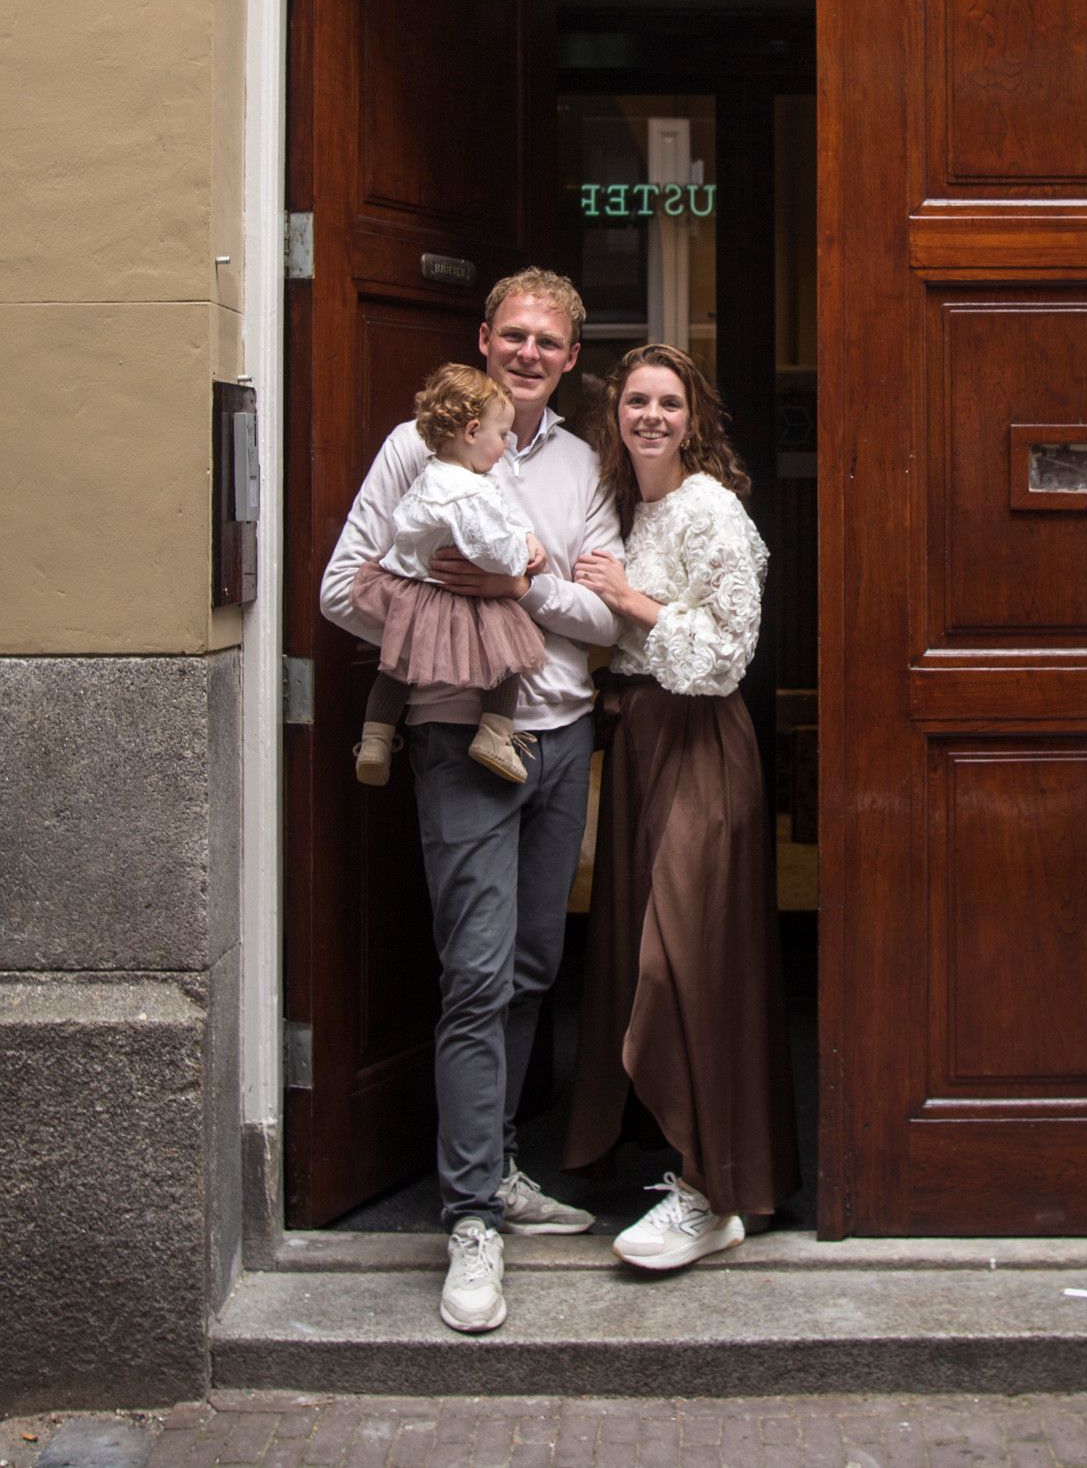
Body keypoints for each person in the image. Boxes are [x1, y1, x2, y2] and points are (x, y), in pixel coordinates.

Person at [319, 269, 622, 1338]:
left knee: (536, 966)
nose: (528, 352)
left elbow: (604, 610)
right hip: (457, 740)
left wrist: (518, 590)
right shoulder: (418, 446)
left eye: (549, 340)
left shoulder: (585, 463)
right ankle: (468, 1218)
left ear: (570, 357)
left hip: (558, 738)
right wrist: (446, 618)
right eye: (513, 335)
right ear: (483, 339)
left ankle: (495, 1166)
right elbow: (340, 587)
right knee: (477, 973)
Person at [564, 342, 800, 1271]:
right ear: (615, 415)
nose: (651, 416)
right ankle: (692, 1173)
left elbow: (728, 650)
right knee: (633, 951)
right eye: (635, 401)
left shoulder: (711, 508)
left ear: (693, 418)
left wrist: (633, 602)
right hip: (635, 744)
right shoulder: (622, 503)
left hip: (701, 742)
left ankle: (714, 1190)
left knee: (685, 955)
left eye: (668, 402)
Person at [354, 363, 551, 789]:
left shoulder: (431, 474)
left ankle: (374, 738)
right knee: (505, 662)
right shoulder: (469, 490)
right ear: (472, 431)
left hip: (410, 592)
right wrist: (521, 555)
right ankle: (495, 735)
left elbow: (499, 515)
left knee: (395, 666)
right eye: (502, 435)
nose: (506, 445)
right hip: (457, 597)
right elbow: (489, 547)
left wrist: (526, 531)